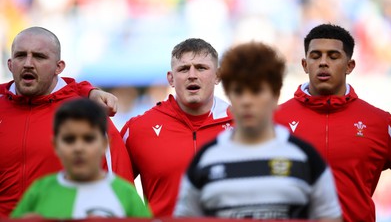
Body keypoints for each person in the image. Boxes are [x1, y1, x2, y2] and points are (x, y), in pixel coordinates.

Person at [174, 42, 342, 221]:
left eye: (256, 91)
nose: (247, 101)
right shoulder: (205, 159)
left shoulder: (305, 157)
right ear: (229, 96)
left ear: (276, 95)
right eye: (238, 91)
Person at [0, 27, 133, 217]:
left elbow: (120, 187)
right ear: (10, 64)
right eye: (21, 55)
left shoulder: (87, 112)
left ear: (59, 67)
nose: (28, 63)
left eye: (39, 56)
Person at [274, 24, 391, 222]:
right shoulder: (274, 120)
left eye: (333, 56)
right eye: (315, 56)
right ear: (305, 64)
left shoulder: (379, 122)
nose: (323, 63)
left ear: (350, 66)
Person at [121, 38, 233, 216]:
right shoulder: (138, 129)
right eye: (183, 69)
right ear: (171, 79)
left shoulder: (242, 126)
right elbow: (114, 191)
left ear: (218, 76)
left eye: (201, 68)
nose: (192, 75)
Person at [11, 98, 151, 219]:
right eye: (69, 139)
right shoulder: (39, 192)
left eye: (88, 139)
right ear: (55, 144)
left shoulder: (126, 194)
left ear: (104, 144)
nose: (79, 148)